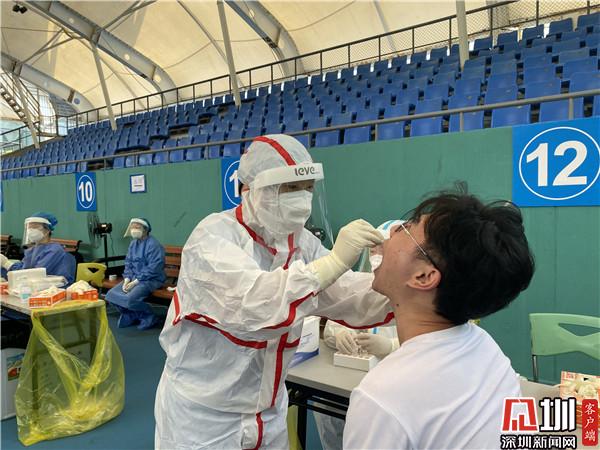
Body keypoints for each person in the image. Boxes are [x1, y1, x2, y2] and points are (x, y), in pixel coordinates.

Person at [154, 134, 394, 449]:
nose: (302, 198)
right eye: (289, 187)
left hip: (269, 410)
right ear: (249, 189)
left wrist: (404, 287)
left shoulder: (301, 242)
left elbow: (344, 293)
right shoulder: (212, 238)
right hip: (205, 417)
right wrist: (334, 262)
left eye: (307, 187)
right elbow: (255, 306)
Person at [343, 184, 535, 450]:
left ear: (423, 276)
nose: (393, 230)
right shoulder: (484, 345)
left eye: (407, 227)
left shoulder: (381, 398)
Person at [315, 220, 403, 450]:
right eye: (372, 249)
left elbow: (426, 340)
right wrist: (338, 333)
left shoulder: (414, 291)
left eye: (382, 248)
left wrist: (391, 346)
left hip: (390, 387)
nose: (376, 255)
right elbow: (339, 310)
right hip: (350, 380)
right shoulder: (360, 282)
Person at [105, 218, 165, 330]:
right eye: (132, 227)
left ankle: (149, 316)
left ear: (145, 230)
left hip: (151, 279)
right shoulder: (133, 244)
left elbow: (154, 268)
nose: (134, 230)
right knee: (110, 296)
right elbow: (128, 262)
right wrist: (127, 279)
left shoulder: (154, 245)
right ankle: (131, 314)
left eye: (137, 227)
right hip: (133, 278)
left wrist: (136, 282)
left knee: (130, 299)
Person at [0, 212, 76, 284]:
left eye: (35, 227)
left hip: (55, 289)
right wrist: (4, 265)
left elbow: (36, 274)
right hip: (35, 287)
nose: (31, 230)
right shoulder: (32, 250)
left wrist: (8, 264)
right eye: (29, 227)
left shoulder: (54, 251)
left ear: (47, 230)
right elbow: (24, 268)